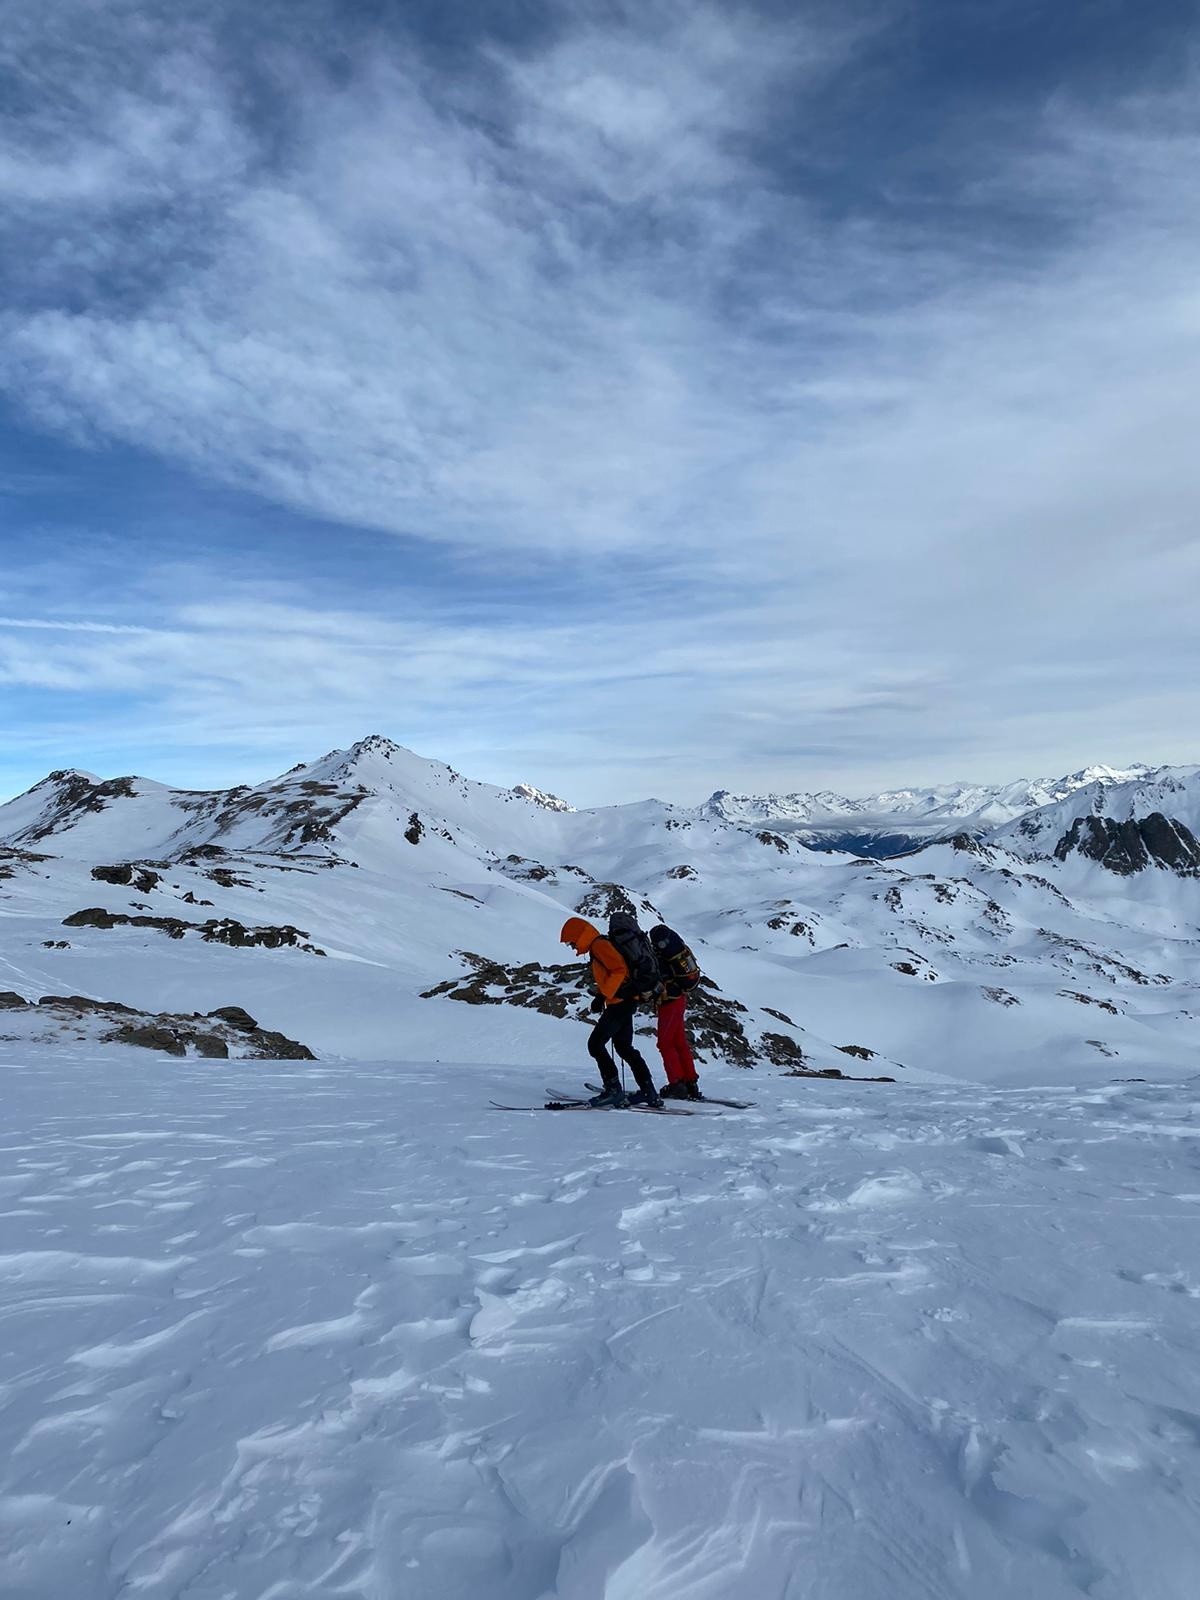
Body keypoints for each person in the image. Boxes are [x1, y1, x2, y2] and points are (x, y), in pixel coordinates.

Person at [559, 916, 662, 1108]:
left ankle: (613, 1090)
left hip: (620, 1003)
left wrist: (602, 996)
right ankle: (648, 1091)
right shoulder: (598, 945)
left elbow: (619, 970)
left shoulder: (599, 946)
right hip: (625, 1000)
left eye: (572, 942)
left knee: (595, 1044)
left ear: (579, 936)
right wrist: (603, 995)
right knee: (624, 1047)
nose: (572, 947)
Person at [649, 923, 702, 1100]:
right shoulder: (675, 950)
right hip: (680, 998)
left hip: (669, 1001)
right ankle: (690, 1082)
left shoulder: (660, 955)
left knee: (665, 1043)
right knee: (679, 1041)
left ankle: (677, 1084)